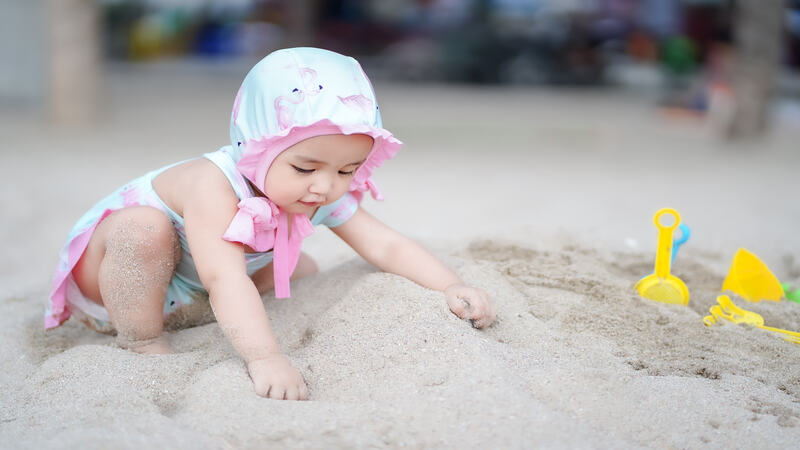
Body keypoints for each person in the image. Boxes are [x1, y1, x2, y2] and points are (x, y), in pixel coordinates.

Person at [44, 47, 496, 401]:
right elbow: (224, 277)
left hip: (190, 290)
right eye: (306, 168)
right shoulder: (213, 185)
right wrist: (266, 357)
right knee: (143, 228)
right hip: (118, 284)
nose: (325, 186)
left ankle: (191, 318)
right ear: (257, 147)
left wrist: (450, 286)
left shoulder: (312, 189)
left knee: (306, 269)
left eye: (346, 171)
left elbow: (385, 245)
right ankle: (141, 339)